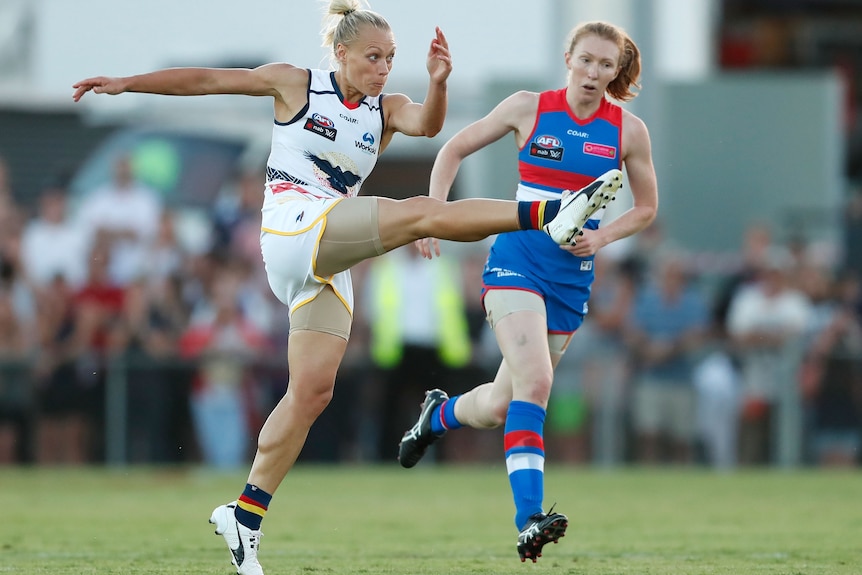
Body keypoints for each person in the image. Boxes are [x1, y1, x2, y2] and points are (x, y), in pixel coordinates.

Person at [71, 2, 618, 573]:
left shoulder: (387, 109)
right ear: (340, 53)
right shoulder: (296, 85)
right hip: (291, 229)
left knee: (312, 392)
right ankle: (548, 214)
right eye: (373, 58)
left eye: (390, 59)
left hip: (330, 253)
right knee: (422, 214)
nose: (383, 69)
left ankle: (244, 514)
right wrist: (127, 83)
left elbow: (430, 127)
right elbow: (209, 81)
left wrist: (437, 84)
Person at [397, 20, 658, 562]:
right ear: (569, 58)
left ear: (617, 71)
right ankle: (529, 519)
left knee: (498, 405)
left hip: (569, 282)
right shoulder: (527, 107)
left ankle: (436, 417)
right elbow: (452, 151)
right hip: (515, 263)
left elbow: (647, 207)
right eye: (586, 60)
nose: (594, 73)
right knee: (535, 383)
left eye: (606, 65)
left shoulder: (629, 130)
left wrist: (603, 235)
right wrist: (433, 217)